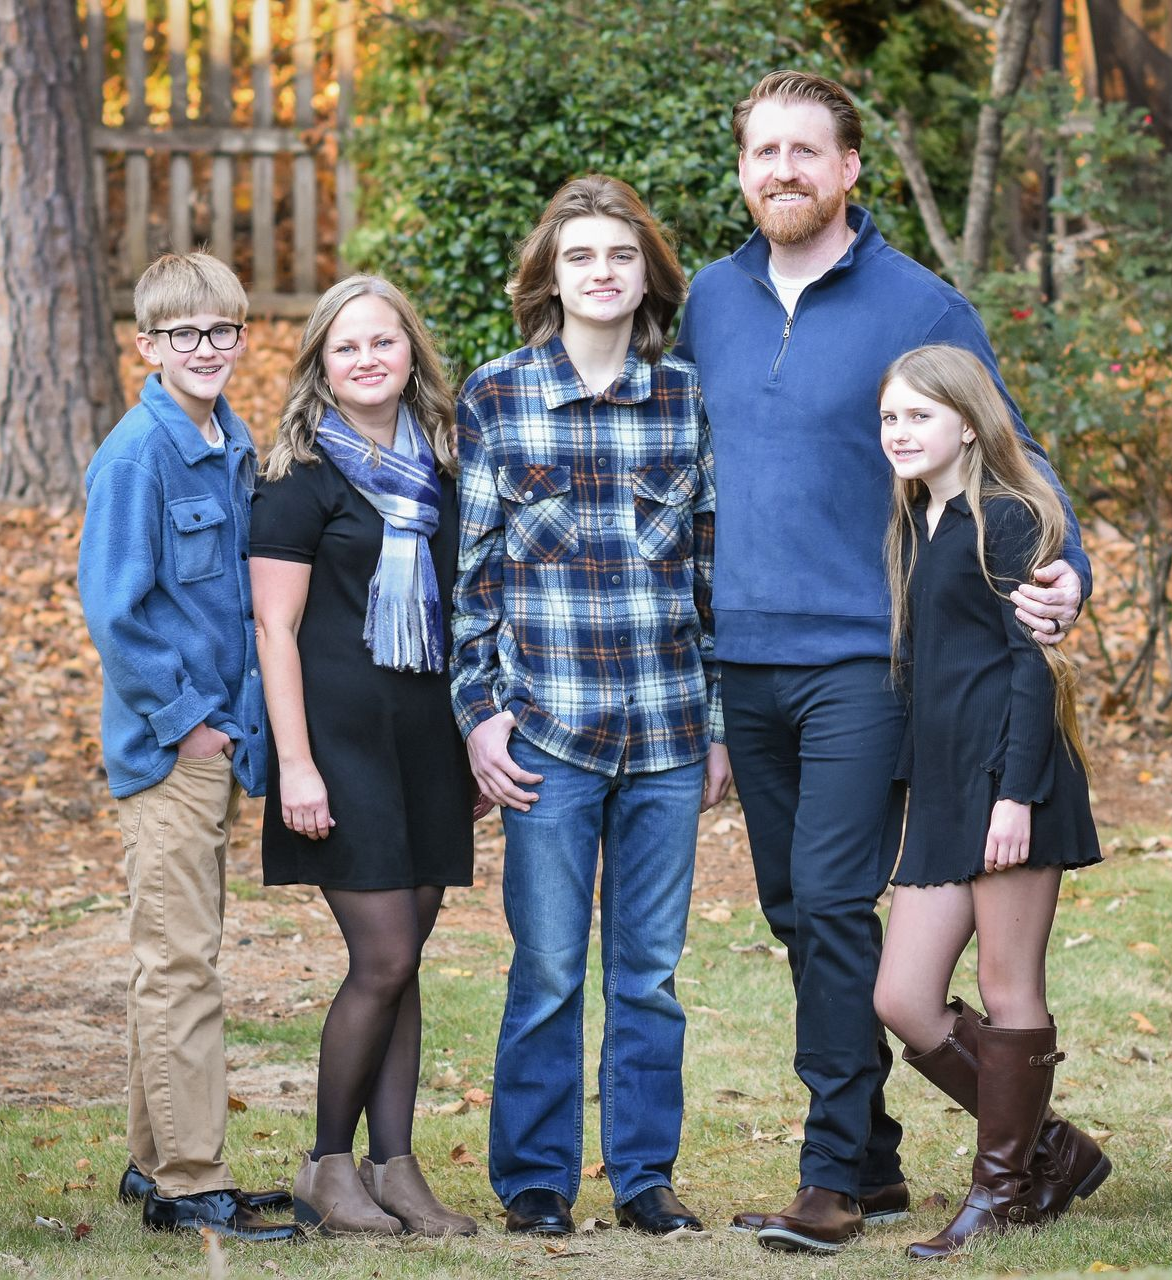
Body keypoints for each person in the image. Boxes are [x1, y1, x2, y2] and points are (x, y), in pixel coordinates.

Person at [675, 69, 1093, 1254]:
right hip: (742, 662)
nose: (783, 171)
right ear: (743, 167)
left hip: (867, 658)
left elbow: (1012, 449)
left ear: (849, 167)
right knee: (793, 911)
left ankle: (831, 1175)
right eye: (763, 151)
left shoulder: (917, 300)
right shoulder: (709, 300)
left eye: (807, 151)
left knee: (829, 901)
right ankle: (958, 1149)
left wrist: (1066, 571)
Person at [450, 175, 728, 1240]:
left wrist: (710, 725)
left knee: (650, 974)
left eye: (619, 255)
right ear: (549, 277)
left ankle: (645, 1175)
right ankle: (533, 1179)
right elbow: (471, 580)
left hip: (662, 733)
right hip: (547, 738)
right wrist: (479, 713)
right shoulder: (497, 396)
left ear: (646, 274)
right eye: (579, 257)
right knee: (551, 965)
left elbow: (705, 576)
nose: (601, 272)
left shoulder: (683, 398)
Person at [250, 274, 482, 1237]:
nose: (367, 360)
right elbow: (275, 630)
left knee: (406, 958)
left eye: (383, 343)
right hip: (338, 743)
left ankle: (398, 1169)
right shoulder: (297, 478)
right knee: (381, 955)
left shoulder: (444, 470)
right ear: (321, 367)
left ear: (411, 355)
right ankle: (326, 1164)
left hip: (426, 737)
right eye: (346, 348)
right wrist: (294, 765)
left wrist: (474, 742)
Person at [77, 251, 298, 1243]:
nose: (205, 348)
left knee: (173, 954)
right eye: (183, 334)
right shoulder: (139, 455)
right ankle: (191, 1180)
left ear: (241, 334)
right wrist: (188, 724)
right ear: (147, 345)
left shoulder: (230, 437)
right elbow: (115, 613)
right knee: (181, 965)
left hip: (220, 741)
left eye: (222, 330)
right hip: (171, 748)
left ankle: (149, 1159)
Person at [871, 345, 1108, 1261]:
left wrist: (1015, 798)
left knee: (1010, 991)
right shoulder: (917, 518)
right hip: (941, 786)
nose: (899, 432)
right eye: (889, 417)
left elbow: (1028, 665)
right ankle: (1053, 1149)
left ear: (968, 421)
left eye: (918, 416)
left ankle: (1000, 1189)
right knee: (901, 996)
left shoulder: (1004, 518)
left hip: (1012, 780)